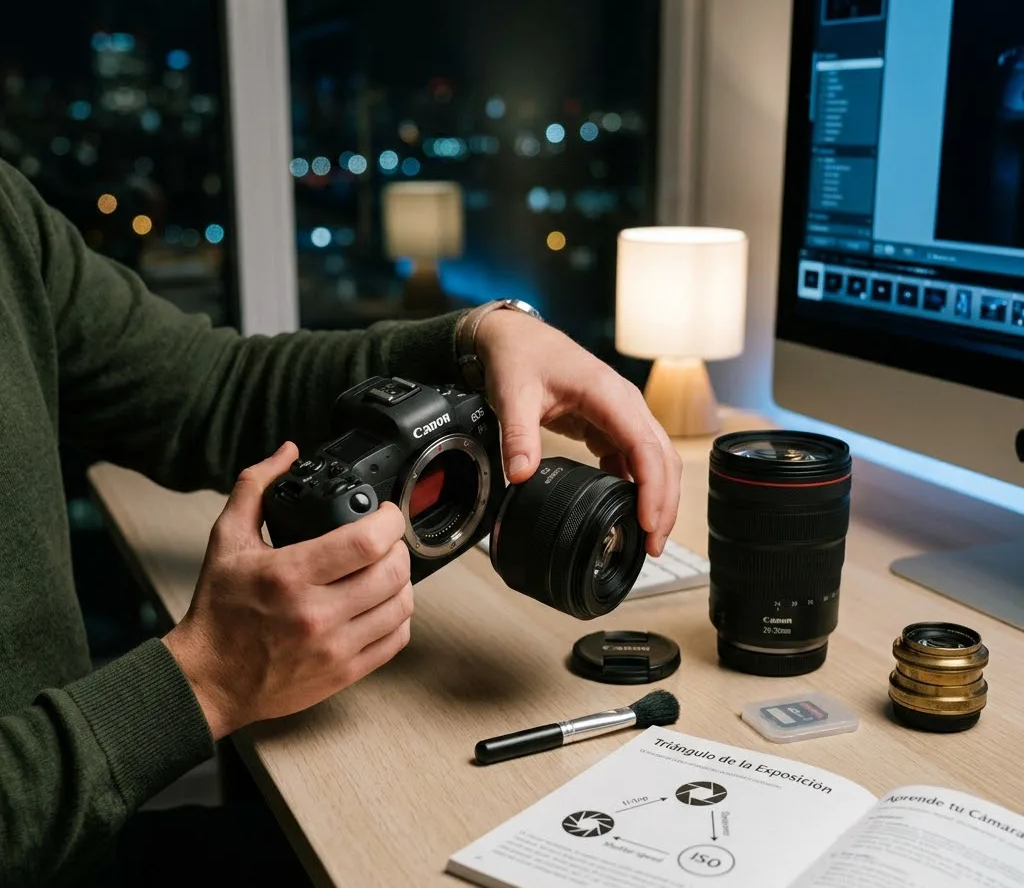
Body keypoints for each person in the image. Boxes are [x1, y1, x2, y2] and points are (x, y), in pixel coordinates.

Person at [0, 158, 681, 885]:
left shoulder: (10, 213)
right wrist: (203, 681)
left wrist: (480, 339)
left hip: (86, 835)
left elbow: (207, 389)